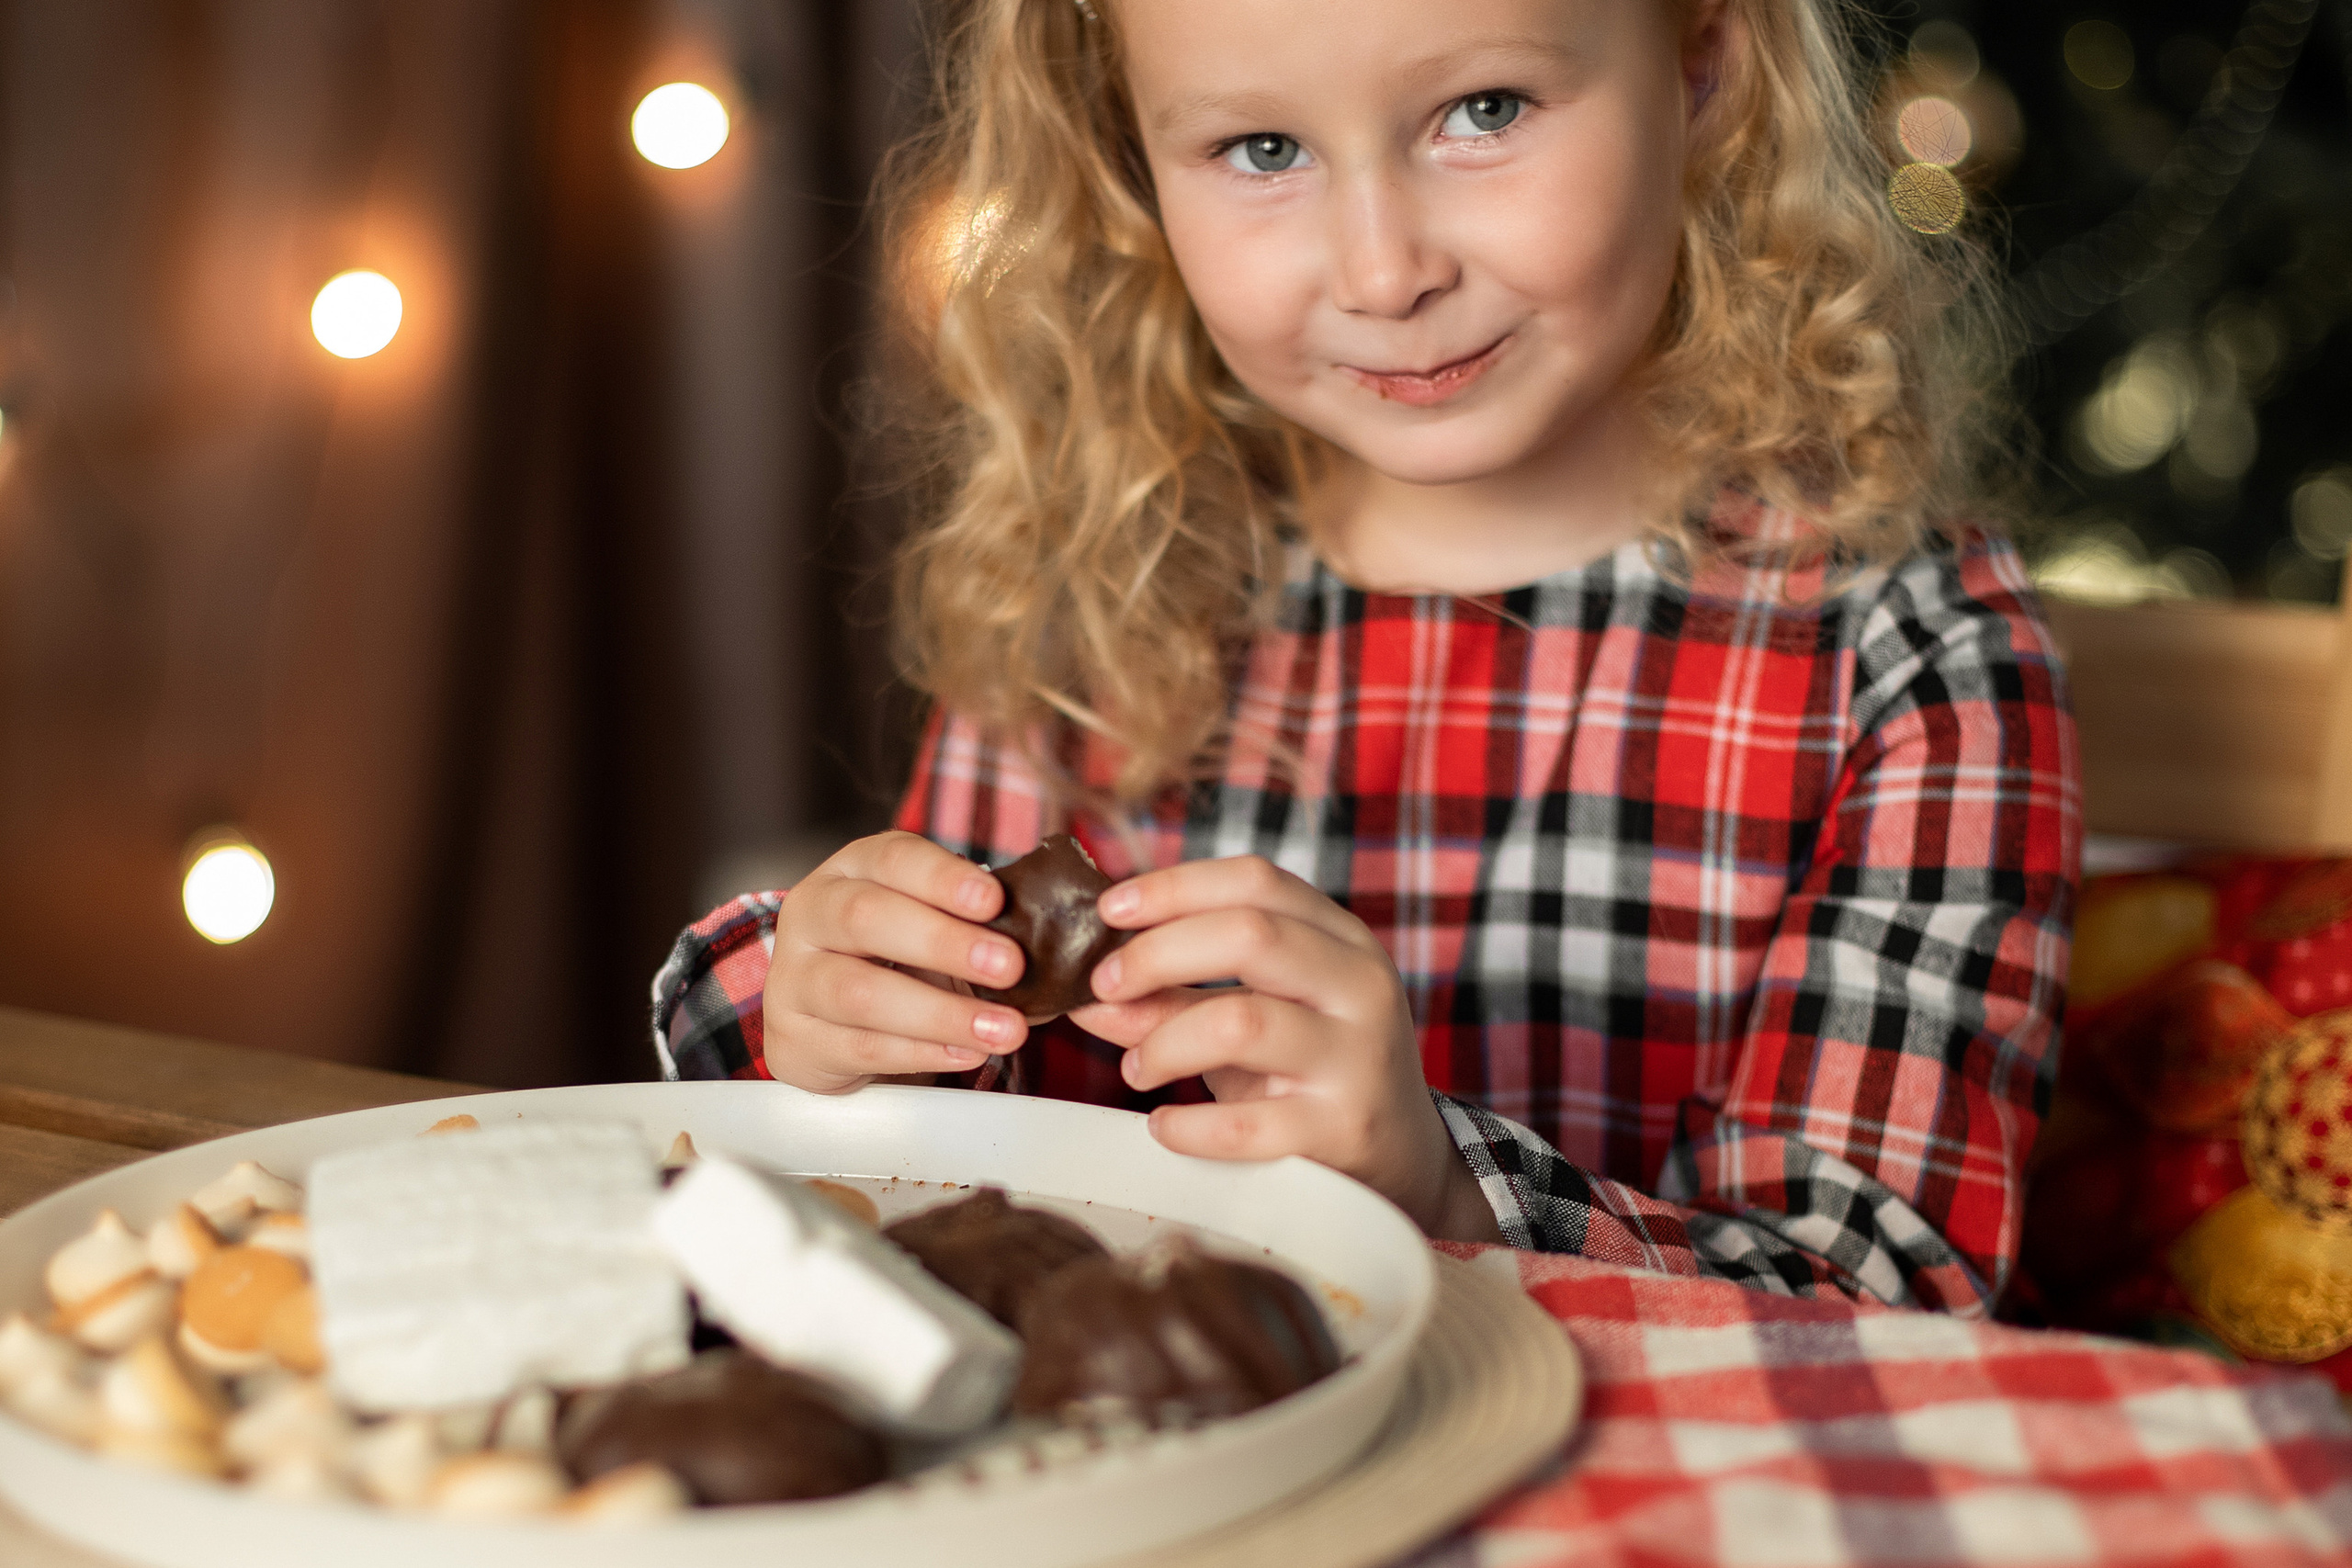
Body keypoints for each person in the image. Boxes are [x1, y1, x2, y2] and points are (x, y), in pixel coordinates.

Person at [654, 0, 2078, 1317]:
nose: (1387, 271)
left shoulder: (1911, 658)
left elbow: (1872, 1314)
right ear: (1125, 152)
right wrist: (830, 1031)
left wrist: (1442, 1189)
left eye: (1485, 112)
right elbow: (926, 1197)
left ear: (1703, 58)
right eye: (1263, 149)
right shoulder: (1089, 604)